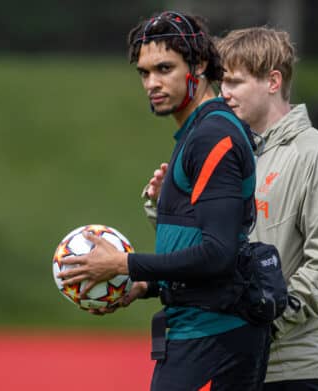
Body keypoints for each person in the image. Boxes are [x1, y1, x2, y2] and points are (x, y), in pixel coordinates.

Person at [58, 12, 269, 391]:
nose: (152, 83)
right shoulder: (198, 133)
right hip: (201, 328)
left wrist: (124, 264)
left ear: (200, 65)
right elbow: (206, 253)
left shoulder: (213, 135)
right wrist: (147, 286)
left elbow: (218, 253)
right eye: (144, 72)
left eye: (165, 68)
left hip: (213, 334)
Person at [143, 27, 318, 391]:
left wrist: (264, 321)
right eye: (221, 82)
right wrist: (168, 205)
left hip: (292, 369)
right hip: (231, 360)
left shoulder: (316, 155)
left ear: (273, 81)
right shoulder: (228, 148)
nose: (223, 93)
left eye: (235, 83)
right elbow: (213, 249)